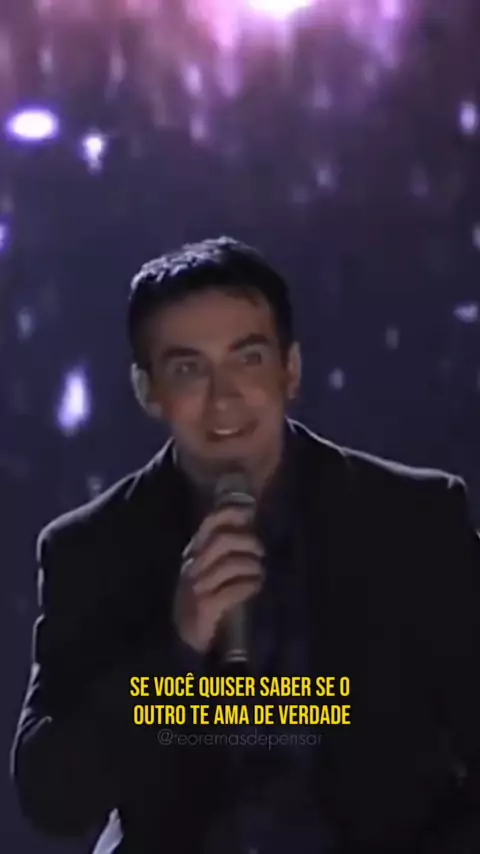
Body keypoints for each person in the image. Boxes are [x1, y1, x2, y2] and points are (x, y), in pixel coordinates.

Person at [10, 235, 480, 854]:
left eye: (248, 358)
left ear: (291, 370)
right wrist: (178, 647)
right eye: (188, 369)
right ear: (147, 391)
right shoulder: (91, 548)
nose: (224, 396)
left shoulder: (411, 520)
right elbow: (51, 796)